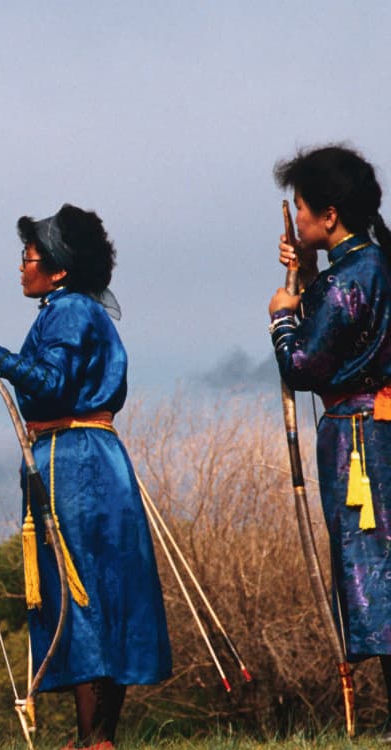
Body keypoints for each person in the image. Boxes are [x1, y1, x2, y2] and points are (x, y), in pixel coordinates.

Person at [0, 205, 170, 749]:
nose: (22, 267)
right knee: (94, 590)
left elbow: (51, 382)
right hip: (86, 457)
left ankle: (96, 739)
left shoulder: (67, 312)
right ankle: (93, 736)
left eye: (30, 257)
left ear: (59, 269)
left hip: (74, 460)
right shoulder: (70, 309)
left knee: (81, 589)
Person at [269, 144, 391, 737]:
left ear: (331, 214)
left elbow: (305, 364)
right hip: (365, 431)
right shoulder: (357, 267)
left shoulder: (360, 273)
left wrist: (282, 317)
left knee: (378, 566)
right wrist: (309, 276)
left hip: (363, 438)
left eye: (303, 208)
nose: (298, 217)